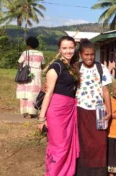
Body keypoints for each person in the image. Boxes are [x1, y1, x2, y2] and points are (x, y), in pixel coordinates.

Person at [38, 36, 80, 176]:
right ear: (59, 49)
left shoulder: (72, 65)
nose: (68, 51)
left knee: (67, 145)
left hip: (69, 109)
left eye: (71, 48)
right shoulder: (55, 67)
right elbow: (48, 92)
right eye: (65, 48)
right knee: (59, 147)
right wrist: (42, 118)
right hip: (57, 110)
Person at [75, 39, 112, 176]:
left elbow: (106, 90)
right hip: (80, 110)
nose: (89, 57)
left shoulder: (101, 68)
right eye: (86, 54)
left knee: (100, 142)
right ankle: (82, 171)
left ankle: (99, 171)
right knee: (83, 142)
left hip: (99, 110)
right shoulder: (76, 68)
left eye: (92, 54)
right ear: (80, 54)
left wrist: (108, 109)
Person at [16, 36, 45, 118]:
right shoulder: (40, 54)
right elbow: (43, 65)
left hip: (26, 74)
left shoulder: (25, 53)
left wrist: (21, 70)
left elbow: (20, 62)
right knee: (34, 93)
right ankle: (33, 112)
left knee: (25, 93)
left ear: (28, 45)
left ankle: (24, 111)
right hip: (36, 74)